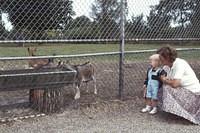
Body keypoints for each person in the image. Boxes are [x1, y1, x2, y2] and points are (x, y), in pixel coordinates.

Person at [157, 46, 200, 124]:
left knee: (166, 87)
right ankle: (177, 111)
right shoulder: (166, 66)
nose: (159, 59)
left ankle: (183, 112)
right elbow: (161, 77)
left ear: (167, 57)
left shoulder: (179, 63)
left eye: (161, 57)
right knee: (162, 87)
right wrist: (166, 80)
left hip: (195, 96)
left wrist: (166, 80)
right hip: (184, 91)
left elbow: (175, 84)